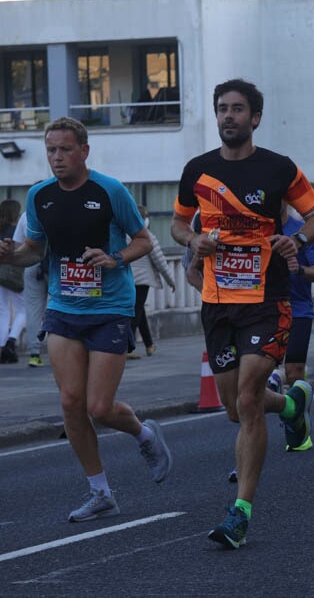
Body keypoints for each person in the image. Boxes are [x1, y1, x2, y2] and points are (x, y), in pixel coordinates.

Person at [171, 79, 314, 548]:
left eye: (238, 109)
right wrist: (191, 239)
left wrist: (296, 240)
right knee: (236, 410)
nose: (229, 117)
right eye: (222, 109)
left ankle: (240, 511)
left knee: (249, 392)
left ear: (255, 117)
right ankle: (294, 405)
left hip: (267, 300)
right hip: (218, 305)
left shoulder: (280, 168)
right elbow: (179, 223)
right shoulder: (198, 171)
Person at [0, 117, 173, 521]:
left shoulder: (110, 191)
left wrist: (114, 259)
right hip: (64, 308)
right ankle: (100, 492)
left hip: (110, 308)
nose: (57, 158)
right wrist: (10, 255)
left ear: (84, 151)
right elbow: (34, 252)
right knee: (70, 403)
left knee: (99, 406)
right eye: (50, 151)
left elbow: (144, 240)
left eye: (64, 149)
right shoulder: (39, 196)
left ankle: (144, 435)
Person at [268, 204, 314, 391]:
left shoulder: (302, 231)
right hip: (265, 310)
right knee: (260, 370)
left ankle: (299, 417)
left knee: (294, 371)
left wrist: (299, 270)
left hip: (298, 310)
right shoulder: (257, 230)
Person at [126, 205, 175, 359]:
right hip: (142, 280)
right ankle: (128, 347)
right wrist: (171, 281)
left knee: (139, 311)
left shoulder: (124, 235)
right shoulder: (148, 236)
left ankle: (149, 344)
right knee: (136, 310)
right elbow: (160, 261)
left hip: (127, 278)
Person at [12, 208, 48, 367]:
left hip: (32, 265)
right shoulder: (59, 209)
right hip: (56, 264)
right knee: (59, 306)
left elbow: (18, 245)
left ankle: (34, 352)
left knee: (33, 310)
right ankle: (62, 349)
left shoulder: (26, 215)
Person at [0, 200, 26, 363]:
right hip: (15, 274)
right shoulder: (17, 230)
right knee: (23, 309)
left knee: (2, 310)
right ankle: (11, 340)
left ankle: (2, 347)